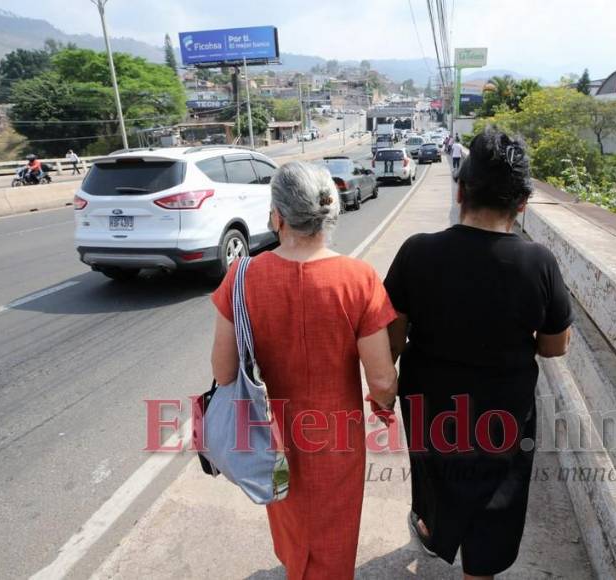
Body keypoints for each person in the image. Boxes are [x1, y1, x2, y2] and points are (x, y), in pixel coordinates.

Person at [384, 126, 574, 580]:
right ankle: (477, 571)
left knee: (434, 471)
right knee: (498, 494)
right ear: (523, 202)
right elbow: (554, 347)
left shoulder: (417, 252)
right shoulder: (539, 262)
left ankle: (434, 528)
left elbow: (392, 335)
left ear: (460, 189)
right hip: (504, 405)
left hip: (429, 398)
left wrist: (384, 386)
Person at [210, 161, 398, 580]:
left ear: (277, 216)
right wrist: (383, 406)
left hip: (270, 435)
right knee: (334, 534)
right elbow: (382, 379)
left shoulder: (241, 277)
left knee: (291, 521)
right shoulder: (359, 279)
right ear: (327, 214)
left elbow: (224, 373)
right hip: (336, 439)